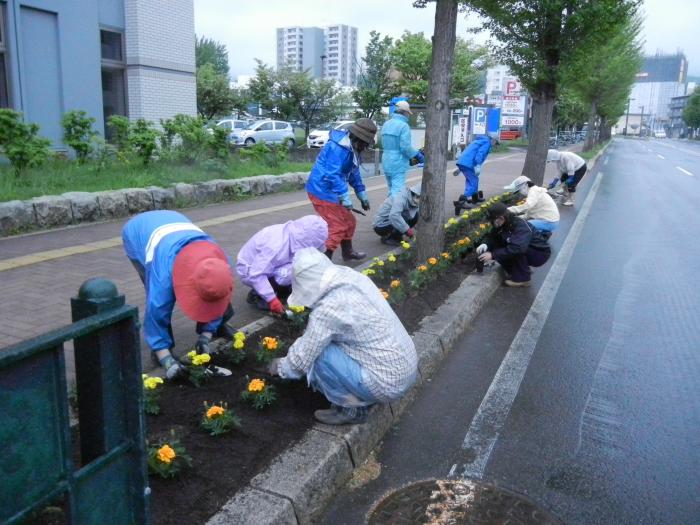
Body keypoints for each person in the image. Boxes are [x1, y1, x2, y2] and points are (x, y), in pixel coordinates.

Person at [267, 248, 418, 425]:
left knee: (320, 354)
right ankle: (364, 393)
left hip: (386, 384)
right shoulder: (354, 278)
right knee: (325, 341)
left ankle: (351, 409)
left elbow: (301, 360)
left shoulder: (329, 309)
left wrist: (280, 367)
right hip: (405, 368)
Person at [122, 210, 234, 379]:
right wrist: (167, 361)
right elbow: (156, 312)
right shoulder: (164, 276)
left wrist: (206, 336)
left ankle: (215, 328)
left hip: (173, 222)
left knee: (213, 289)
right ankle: (160, 350)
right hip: (138, 232)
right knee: (157, 298)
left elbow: (217, 296)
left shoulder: (219, 261)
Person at [306, 117, 377, 261]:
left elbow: (354, 173)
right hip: (321, 190)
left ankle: (347, 252)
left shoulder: (353, 149)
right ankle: (323, 260)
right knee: (337, 225)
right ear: (358, 138)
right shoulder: (337, 148)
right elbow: (333, 175)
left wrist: (361, 194)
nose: (366, 147)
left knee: (349, 221)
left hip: (332, 190)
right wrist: (345, 196)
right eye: (365, 143)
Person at [236, 215, 328, 314]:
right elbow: (256, 274)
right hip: (250, 270)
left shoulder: (295, 235)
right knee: (289, 271)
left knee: (303, 264)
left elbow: (316, 255)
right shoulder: (275, 246)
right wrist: (272, 300)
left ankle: (281, 290)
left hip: (270, 265)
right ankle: (258, 296)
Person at [476, 202, 551, 287]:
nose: (491, 223)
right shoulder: (504, 223)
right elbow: (493, 237)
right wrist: (485, 244)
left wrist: (492, 255)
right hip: (528, 248)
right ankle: (522, 270)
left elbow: (518, 248)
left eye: (492, 220)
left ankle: (523, 279)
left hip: (539, 253)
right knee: (500, 247)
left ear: (501, 218)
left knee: (513, 250)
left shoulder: (520, 226)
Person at [380, 101, 424, 197]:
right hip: (398, 162)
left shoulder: (386, 124)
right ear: (405, 112)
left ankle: (388, 210)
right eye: (408, 113)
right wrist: (417, 154)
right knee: (398, 192)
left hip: (386, 160)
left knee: (391, 188)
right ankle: (395, 211)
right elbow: (405, 147)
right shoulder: (404, 126)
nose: (408, 115)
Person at [453, 134, 499, 214]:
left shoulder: (479, 140)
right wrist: (478, 165)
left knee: (471, 180)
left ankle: (475, 198)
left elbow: (469, 153)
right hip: (468, 164)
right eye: (496, 143)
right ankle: (461, 201)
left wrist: (460, 168)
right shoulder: (487, 143)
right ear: (493, 140)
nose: (495, 145)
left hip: (464, 162)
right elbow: (480, 153)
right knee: (473, 181)